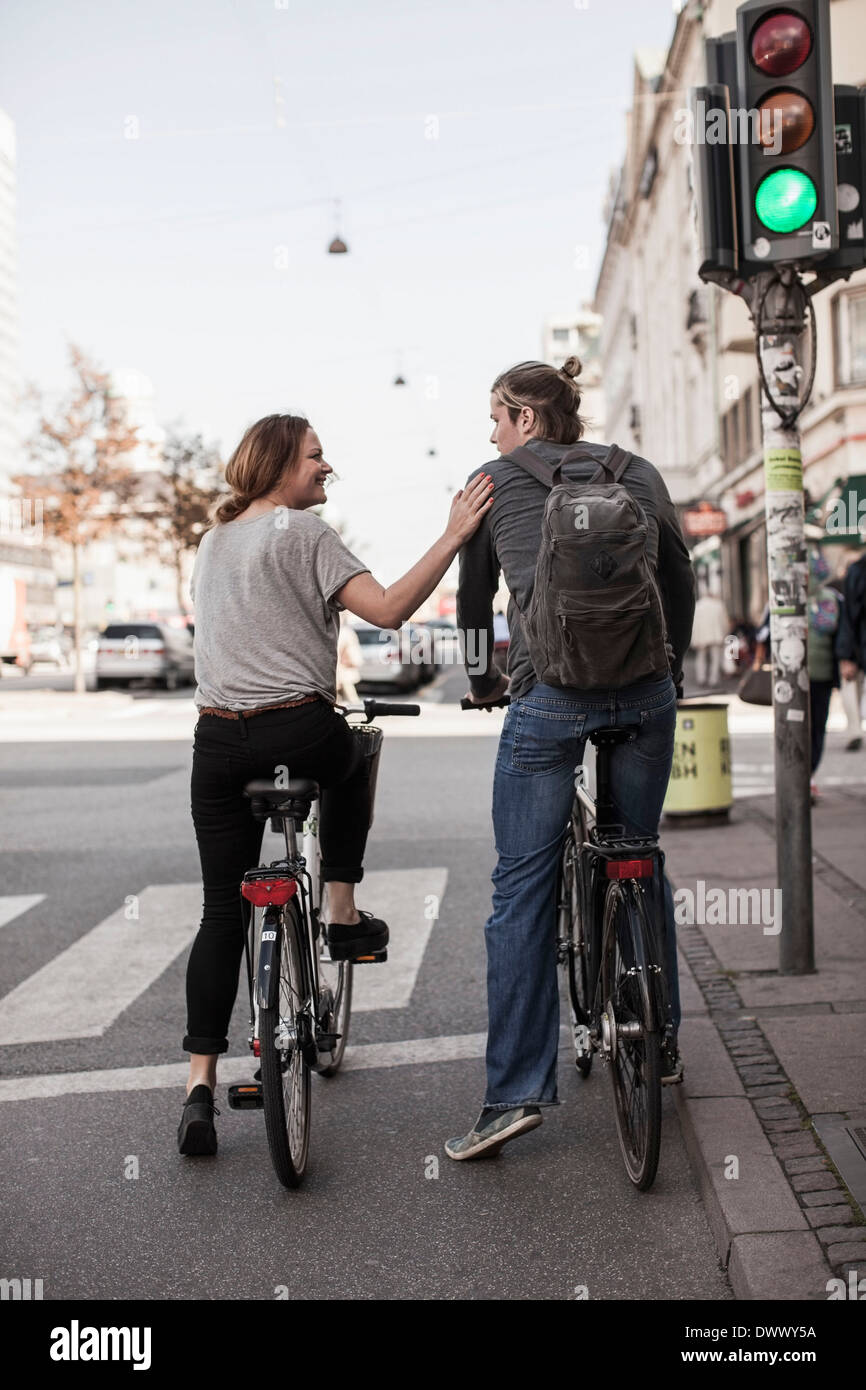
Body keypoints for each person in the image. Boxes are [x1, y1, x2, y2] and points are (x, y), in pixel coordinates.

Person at [179, 413, 493, 1155]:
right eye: (316, 456)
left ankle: (197, 1088)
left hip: (217, 742)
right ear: (281, 463)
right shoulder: (303, 535)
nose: (327, 467)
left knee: (220, 915)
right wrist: (451, 535)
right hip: (299, 729)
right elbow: (387, 611)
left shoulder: (213, 541)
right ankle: (342, 909)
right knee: (357, 752)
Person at [447, 357, 695, 1161]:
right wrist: (672, 668)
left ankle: (513, 1096)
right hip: (647, 694)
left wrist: (486, 677)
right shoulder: (639, 472)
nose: (490, 431)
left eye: (495, 414)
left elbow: (476, 598)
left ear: (524, 416)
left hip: (550, 696)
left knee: (520, 888)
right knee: (639, 854)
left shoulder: (490, 481)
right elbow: (679, 580)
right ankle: (658, 1044)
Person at [833, 551, 866, 752]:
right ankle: (854, 730)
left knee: (852, 689)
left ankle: (855, 730)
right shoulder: (858, 572)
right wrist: (846, 655)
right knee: (852, 687)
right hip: (858, 645)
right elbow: (850, 615)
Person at [690, 588, 730, 687]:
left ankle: (701, 678)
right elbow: (724, 622)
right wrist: (725, 634)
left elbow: (694, 624)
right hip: (716, 636)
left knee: (701, 658)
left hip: (701, 637)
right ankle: (713, 680)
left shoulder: (698, 606)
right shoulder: (718, 605)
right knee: (715, 659)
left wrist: (694, 639)